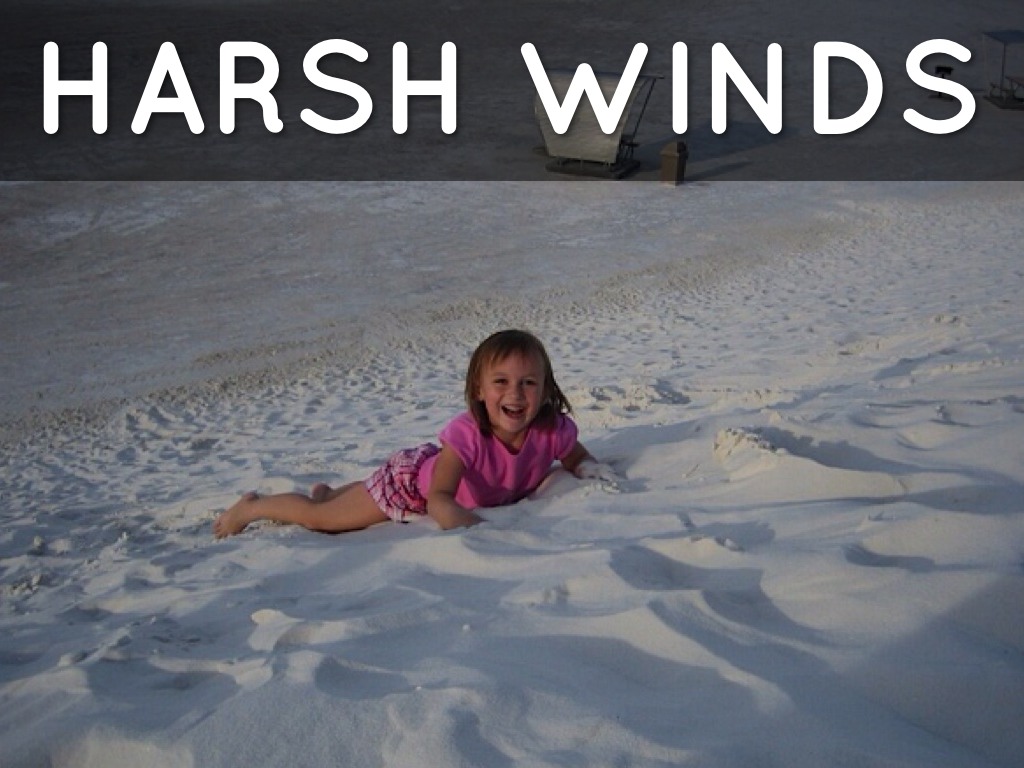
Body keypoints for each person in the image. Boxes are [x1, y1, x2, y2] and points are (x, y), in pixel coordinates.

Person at [213, 329, 618, 538]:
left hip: (424, 476)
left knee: (343, 500)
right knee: (322, 521)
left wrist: (588, 469)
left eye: (529, 383)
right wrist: (470, 527)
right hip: (408, 487)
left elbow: (577, 457)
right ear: (479, 390)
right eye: (501, 382)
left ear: (545, 390)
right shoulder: (466, 436)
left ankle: (329, 492)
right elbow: (439, 497)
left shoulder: (551, 430)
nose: (515, 394)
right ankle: (252, 507)